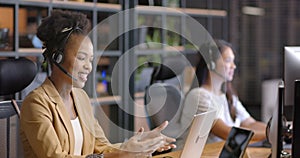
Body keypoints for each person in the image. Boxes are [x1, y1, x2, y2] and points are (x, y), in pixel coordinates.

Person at [20, 9, 176, 158]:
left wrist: (139, 145)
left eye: (91, 60)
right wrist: (122, 154)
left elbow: (102, 148)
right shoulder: (36, 103)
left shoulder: (81, 98)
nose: (89, 67)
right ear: (57, 57)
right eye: (81, 58)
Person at [182, 39, 266, 144]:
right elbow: (227, 134)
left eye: (233, 61)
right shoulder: (199, 96)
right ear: (211, 64)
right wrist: (270, 134)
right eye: (228, 60)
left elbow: (250, 123)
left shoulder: (228, 96)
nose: (233, 66)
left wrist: (277, 130)